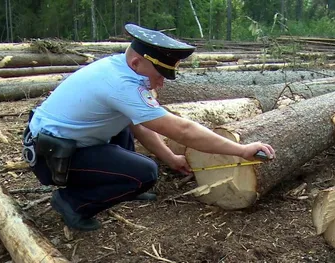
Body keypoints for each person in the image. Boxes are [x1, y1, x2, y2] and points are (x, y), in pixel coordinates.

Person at [22, 23, 275, 232]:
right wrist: (241, 150)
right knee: (146, 173)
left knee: (125, 126)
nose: (161, 83)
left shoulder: (119, 66)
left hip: (60, 143)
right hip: (52, 156)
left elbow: (139, 123)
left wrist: (171, 158)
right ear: (136, 63)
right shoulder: (122, 84)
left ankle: (124, 186)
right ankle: (72, 203)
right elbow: (183, 131)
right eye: (159, 75)